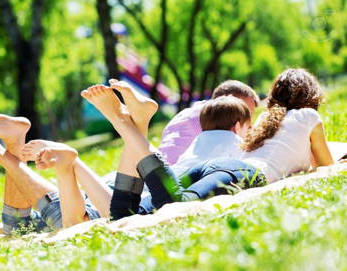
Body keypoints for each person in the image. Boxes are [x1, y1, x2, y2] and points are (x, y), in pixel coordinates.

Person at [79, 68, 336, 219]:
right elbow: (326, 165)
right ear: (311, 95)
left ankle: (136, 124)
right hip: (240, 172)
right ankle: (127, 125)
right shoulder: (308, 116)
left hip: (218, 166)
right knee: (176, 204)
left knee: (125, 214)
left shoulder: (266, 121)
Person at [159, 80, 259, 165]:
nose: (248, 123)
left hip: (161, 172)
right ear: (229, 100)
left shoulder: (186, 113)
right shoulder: (218, 121)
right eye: (245, 111)